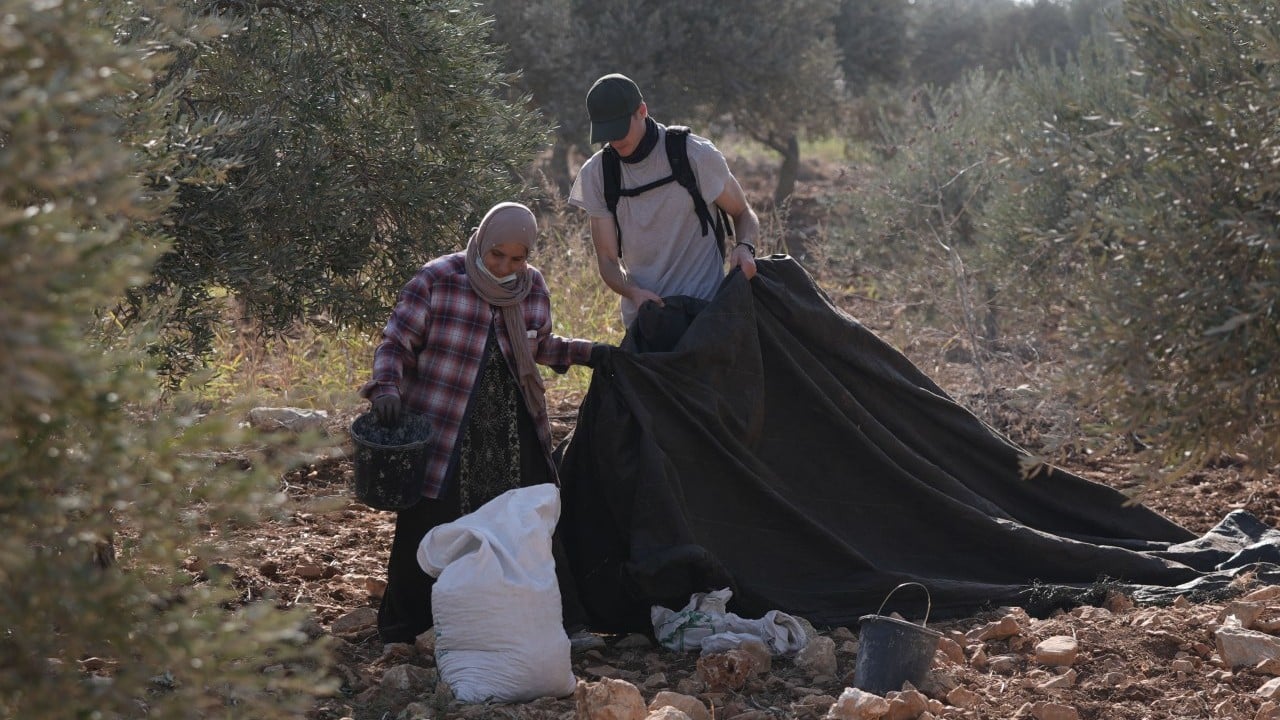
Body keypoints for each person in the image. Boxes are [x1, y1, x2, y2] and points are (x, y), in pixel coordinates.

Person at [359, 201, 606, 649]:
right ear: (481, 242)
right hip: (445, 423)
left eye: (517, 259)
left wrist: (594, 354)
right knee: (429, 522)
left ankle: (562, 625)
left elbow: (541, 346)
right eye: (497, 255)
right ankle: (407, 628)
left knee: (530, 519)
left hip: (512, 422)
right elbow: (396, 342)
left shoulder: (530, 288)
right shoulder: (437, 279)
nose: (505, 267)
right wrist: (387, 390)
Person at [569, 73, 762, 327]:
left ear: (642, 111)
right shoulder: (597, 174)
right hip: (646, 322)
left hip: (707, 316)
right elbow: (607, 260)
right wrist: (634, 293)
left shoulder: (695, 154)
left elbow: (743, 213)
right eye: (606, 132)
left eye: (619, 129)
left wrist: (745, 247)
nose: (614, 140)